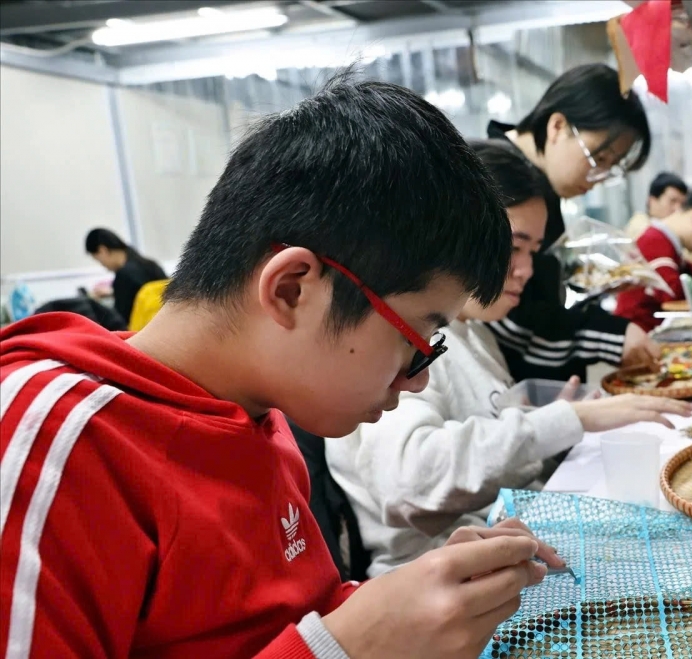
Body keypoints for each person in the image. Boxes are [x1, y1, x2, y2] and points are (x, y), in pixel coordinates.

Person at [1, 71, 562, 659]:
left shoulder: (262, 420)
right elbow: (318, 645)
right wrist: (347, 644)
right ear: (292, 289)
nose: (417, 378)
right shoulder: (52, 442)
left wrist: (418, 598)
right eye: (417, 338)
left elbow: (283, 626)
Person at [327, 140, 692, 576]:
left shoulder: (476, 334)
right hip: (434, 577)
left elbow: (493, 446)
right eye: (513, 247)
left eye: (533, 251)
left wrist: (554, 422)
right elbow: (410, 479)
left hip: (499, 551)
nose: (527, 270)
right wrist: (565, 420)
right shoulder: (403, 341)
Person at [486, 64, 659, 382]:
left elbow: (541, 291)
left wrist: (595, 280)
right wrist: (612, 335)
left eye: (611, 167)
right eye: (599, 159)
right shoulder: (497, 181)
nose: (599, 177)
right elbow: (510, 321)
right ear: (558, 127)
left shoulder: (540, 186)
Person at [615, 183, 692, 331]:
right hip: (638, 333)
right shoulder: (654, 241)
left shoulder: (667, 243)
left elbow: (690, 275)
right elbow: (672, 294)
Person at [84, 228, 168, 325]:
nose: (103, 265)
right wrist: (113, 292)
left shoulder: (123, 276)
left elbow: (119, 321)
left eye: (99, 260)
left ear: (103, 251)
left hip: (139, 330)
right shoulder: (152, 265)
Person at [626, 172, 689, 240]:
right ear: (652, 201)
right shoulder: (639, 228)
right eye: (672, 201)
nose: (678, 209)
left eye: (682, 204)